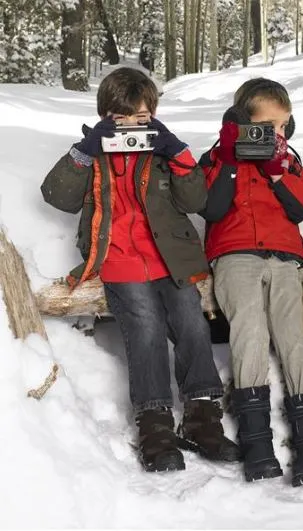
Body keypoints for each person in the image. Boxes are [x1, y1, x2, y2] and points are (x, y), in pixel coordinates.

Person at [41, 67, 239, 473]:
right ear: (104, 116)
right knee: (145, 326)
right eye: (121, 118)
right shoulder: (93, 153)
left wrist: (177, 151)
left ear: (154, 114)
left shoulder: (164, 153)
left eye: (141, 117)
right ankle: (155, 426)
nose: (131, 126)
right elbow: (57, 196)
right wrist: (87, 147)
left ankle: (203, 419)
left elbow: (196, 200)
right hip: (119, 258)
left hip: (170, 256)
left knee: (191, 321)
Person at [199, 78, 303, 486]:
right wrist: (226, 156)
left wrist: (277, 171)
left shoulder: (289, 161)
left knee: (292, 338)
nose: (275, 133)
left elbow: (302, 207)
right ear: (243, 121)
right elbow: (212, 205)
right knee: (249, 334)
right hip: (235, 255)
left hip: (282, 258)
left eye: (283, 125)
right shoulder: (219, 157)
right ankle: (257, 445)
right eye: (267, 125)